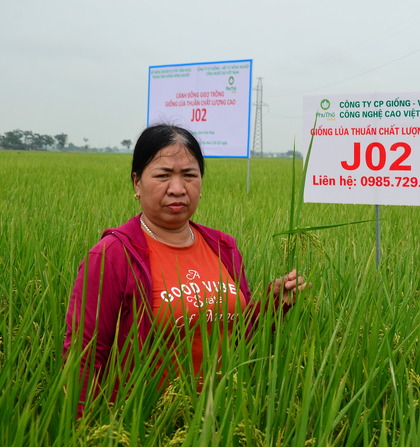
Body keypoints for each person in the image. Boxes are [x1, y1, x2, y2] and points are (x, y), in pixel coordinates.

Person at [62, 124, 309, 416]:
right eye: (163, 175)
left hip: (224, 417)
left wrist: (273, 304)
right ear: (137, 183)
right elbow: (84, 358)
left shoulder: (223, 247)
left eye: (189, 175)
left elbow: (238, 335)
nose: (178, 188)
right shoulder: (113, 256)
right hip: (145, 421)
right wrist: (84, 431)